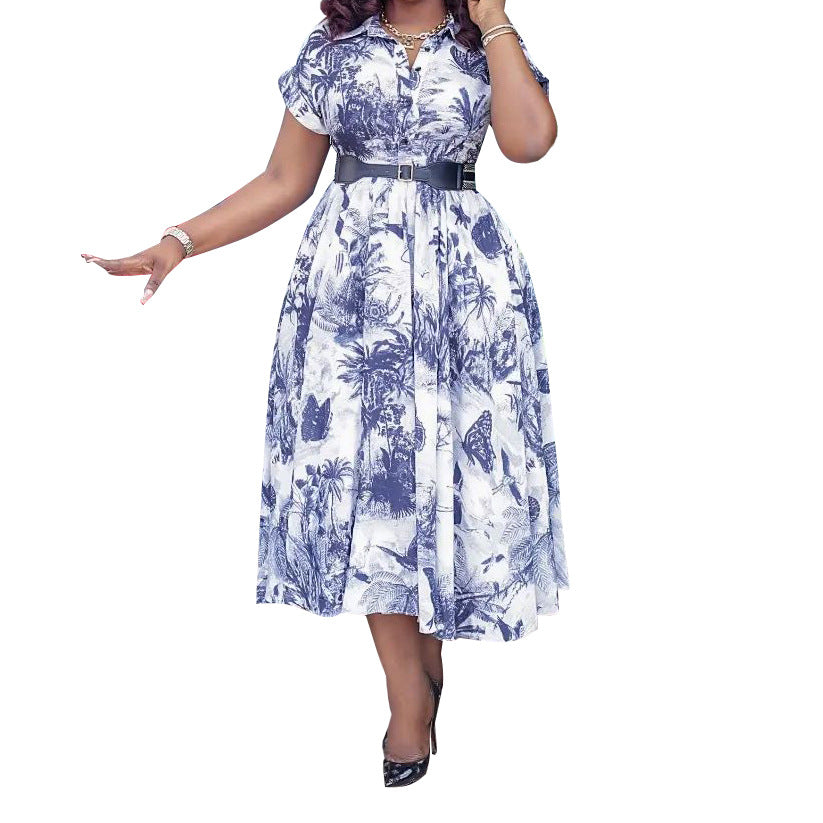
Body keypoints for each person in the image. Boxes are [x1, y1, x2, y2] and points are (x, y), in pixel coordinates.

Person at [81, 0, 569, 788]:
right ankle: (407, 692)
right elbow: (284, 178)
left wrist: (493, 18)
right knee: (371, 487)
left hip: (464, 292)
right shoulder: (333, 47)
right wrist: (179, 242)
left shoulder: (484, 42)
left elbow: (529, 141)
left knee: (443, 479)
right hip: (354, 293)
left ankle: (426, 658)